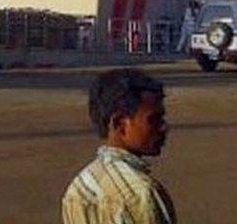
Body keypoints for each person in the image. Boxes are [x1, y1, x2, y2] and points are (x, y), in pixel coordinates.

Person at [62, 69, 176, 224]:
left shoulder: (79, 186)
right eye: (154, 120)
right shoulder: (142, 193)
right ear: (119, 124)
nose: (163, 127)